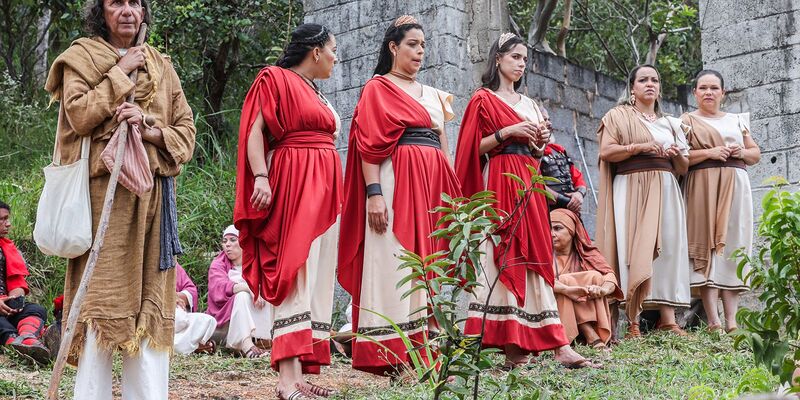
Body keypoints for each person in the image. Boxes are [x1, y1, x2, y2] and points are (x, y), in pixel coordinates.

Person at [44, 0, 196, 397]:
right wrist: (120, 70)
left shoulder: (161, 65)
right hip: (102, 203)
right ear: (102, 11)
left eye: (135, 3)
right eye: (116, 2)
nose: (127, 10)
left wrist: (148, 129)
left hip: (153, 204)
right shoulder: (81, 57)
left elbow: (186, 132)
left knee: (148, 308)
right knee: (99, 305)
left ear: (144, 12)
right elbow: (78, 115)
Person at [454, 32, 597, 369]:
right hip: (501, 179)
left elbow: (539, 151)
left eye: (523, 59)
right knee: (504, 252)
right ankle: (512, 346)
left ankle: (558, 343)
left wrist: (539, 141)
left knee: (536, 251)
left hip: (529, 180)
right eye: (514, 56)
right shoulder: (482, 99)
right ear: (498, 58)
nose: (520, 63)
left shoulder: (531, 104)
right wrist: (508, 132)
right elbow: (470, 150)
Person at [338, 15, 462, 376]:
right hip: (394, 184)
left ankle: (427, 354)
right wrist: (374, 194)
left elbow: (443, 147)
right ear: (393, 47)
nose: (420, 51)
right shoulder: (378, 88)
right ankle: (393, 356)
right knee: (394, 258)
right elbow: (368, 146)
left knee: (430, 264)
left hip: (431, 188)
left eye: (423, 45)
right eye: (412, 44)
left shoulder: (434, 95)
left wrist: (451, 194)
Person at [233, 22, 342, 399]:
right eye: (332, 49)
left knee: (316, 273)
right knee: (295, 268)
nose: (335, 57)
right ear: (315, 51)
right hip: (294, 180)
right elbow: (253, 132)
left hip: (324, 186)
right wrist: (260, 177)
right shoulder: (275, 78)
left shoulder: (316, 91)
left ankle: (298, 375)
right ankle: (284, 381)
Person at [596, 64, 691, 338]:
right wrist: (639, 147)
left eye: (655, 80)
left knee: (669, 248)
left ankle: (668, 318)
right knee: (632, 247)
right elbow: (607, 151)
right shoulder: (617, 116)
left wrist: (676, 154)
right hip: (631, 184)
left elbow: (683, 167)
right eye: (644, 80)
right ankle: (633, 321)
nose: (650, 84)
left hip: (665, 186)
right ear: (633, 88)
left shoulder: (671, 124)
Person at [681, 70, 760, 333]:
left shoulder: (737, 121)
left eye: (714, 88)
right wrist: (709, 152)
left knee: (733, 245)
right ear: (695, 93)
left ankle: (732, 322)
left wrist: (742, 151)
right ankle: (713, 321)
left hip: (736, 186)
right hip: (703, 185)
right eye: (703, 88)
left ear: (723, 93)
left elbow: (755, 154)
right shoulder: (686, 120)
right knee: (708, 247)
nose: (708, 92)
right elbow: (681, 158)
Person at [551, 208, 623, 350]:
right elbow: (538, 283)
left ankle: (592, 332)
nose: (551, 234)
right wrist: (568, 289)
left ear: (571, 231)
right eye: (548, 229)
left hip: (586, 306)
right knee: (566, 281)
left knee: (595, 276)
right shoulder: (542, 257)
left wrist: (601, 290)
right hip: (557, 317)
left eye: (558, 228)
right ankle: (590, 334)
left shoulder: (588, 255)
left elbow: (610, 277)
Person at [206, 226, 271, 358]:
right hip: (226, 321)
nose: (228, 245)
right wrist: (249, 288)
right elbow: (220, 288)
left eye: (233, 240)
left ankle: (266, 341)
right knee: (241, 296)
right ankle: (246, 346)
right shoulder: (218, 265)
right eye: (225, 241)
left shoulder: (256, 263)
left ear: (243, 241)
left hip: (255, 315)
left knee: (269, 295)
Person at [0, 201, 50, 365]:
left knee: (36, 309)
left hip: (5, 307)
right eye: (2, 219)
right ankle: (15, 343)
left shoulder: (7, 248)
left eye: (7, 218)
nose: (8, 224)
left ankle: (28, 339)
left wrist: (14, 301)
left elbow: (17, 284)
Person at [538, 107, 588, 213]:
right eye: (544, 120)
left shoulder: (558, 150)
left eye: (549, 119)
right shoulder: (530, 153)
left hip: (571, 210)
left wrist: (579, 194)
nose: (549, 123)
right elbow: (537, 186)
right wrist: (567, 202)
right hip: (547, 211)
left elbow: (578, 179)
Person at [173, 263, 217, 355]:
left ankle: (183, 346)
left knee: (207, 320)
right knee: (179, 319)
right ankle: (195, 347)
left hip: (177, 312)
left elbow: (191, 290)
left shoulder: (172, 262)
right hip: (155, 315)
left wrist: (177, 296)